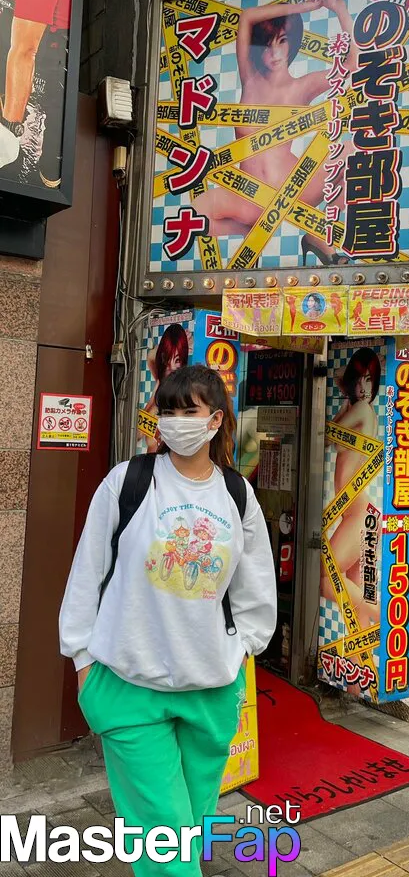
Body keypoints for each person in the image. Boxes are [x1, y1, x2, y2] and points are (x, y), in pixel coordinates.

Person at [59, 364, 277, 877]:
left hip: (211, 690)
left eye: (189, 411)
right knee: (167, 847)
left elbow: (255, 588)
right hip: (128, 685)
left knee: (188, 831)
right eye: (168, 410)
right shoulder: (128, 481)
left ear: (215, 420)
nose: (176, 421)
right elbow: (87, 571)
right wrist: (83, 659)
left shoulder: (237, 495)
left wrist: (242, 651)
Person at [193, 0, 357, 264]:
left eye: (282, 41)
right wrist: (303, 7)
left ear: (292, 42)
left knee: (354, 151)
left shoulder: (302, 86)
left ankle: (317, 235)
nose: (275, 53)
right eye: (267, 44)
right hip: (249, 197)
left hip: (294, 189)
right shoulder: (250, 78)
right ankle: (253, 231)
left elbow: (353, 64)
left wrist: (339, 9)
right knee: (195, 213)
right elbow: (247, 17)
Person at [0, 0, 72, 188]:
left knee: (55, 130)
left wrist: (8, 131)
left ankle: (41, 176)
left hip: (58, 37)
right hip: (14, 7)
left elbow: (24, 52)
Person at [321, 347, 382, 628]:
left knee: (326, 575)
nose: (363, 388)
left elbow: (324, 435)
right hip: (361, 514)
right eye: (357, 380)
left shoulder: (361, 409)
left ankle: (381, 617)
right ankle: (363, 651)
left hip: (358, 515)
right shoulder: (359, 409)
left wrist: (347, 390)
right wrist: (347, 393)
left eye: (369, 379)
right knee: (355, 604)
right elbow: (332, 434)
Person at [140, 323, 190, 452]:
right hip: (154, 455)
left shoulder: (184, 390)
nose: (172, 367)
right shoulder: (160, 385)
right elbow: (139, 435)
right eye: (168, 358)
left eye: (177, 360)